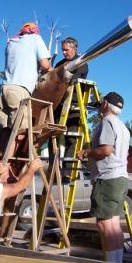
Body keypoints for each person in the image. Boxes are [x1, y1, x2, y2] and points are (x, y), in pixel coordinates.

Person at [77, 92, 130, 263]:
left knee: (104, 225)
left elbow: (106, 150)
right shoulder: (122, 127)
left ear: (105, 104)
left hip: (107, 179)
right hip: (120, 177)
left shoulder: (107, 122)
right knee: (114, 224)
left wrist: (86, 152)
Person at [0, 22, 51, 156]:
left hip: (5, 89)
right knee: (20, 133)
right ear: (34, 31)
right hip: (19, 90)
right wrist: (51, 70)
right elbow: (45, 64)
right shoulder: (35, 39)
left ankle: (1, 160)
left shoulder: (11, 42)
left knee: (6, 130)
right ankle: (7, 166)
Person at [54, 37, 89, 179]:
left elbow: (74, 78)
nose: (64, 52)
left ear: (74, 49)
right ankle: (54, 167)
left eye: (66, 50)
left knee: (71, 138)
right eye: (62, 50)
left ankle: (67, 171)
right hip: (59, 104)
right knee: (54, 137)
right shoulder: (60, 63)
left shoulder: (81, 62)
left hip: (74, 105)